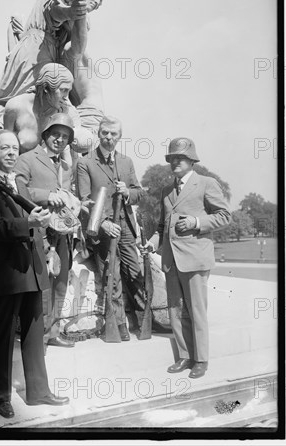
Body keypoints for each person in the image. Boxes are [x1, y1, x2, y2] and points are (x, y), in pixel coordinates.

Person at [0, 130, 69, 419]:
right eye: (4, 148)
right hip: (7, 273)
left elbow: (37, 224)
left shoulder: (20, 186)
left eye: (14, 148)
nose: (12, 153)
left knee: (35, 334)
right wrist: (28, 222)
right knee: (1, 336)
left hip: (34, 270)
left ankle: (39, 392)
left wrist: (48, 246)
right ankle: (1, 396)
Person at [0, 0, 112, 150]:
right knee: (28, 103)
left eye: (102, 0)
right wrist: (72, 10)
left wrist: (79, 12)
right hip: (35, 53)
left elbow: (78, 47)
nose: (98, 2)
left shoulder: (81, 17)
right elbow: (56, 12)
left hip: (49, 55)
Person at [146, 138, 231, 379]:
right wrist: (152, 243)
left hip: (195, 259)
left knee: (196, 311)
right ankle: (184, 356)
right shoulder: (166, 190)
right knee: (175, 309)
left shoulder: (206, 183)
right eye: (171, 158)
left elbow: (225, 216)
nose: (174, 161)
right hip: (171, 260)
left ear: (192, 161)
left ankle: (201, 360)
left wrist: (197, 222)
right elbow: (161, 225)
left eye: (179, 158)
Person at [76, 116, 146, 341]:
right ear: (98, 133)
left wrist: (128, 192)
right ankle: (118, 326)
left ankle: (143, 320)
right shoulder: (85, 162)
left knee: (135, 273)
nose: (108, 137)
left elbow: (138, 193)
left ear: (119, 136)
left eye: (113, 134)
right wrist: (104, 224)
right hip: (102, 229)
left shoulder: (126, 162)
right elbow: (85, 201)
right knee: (112, 278)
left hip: (125, 225)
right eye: (105, 132)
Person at [14, 113, 79, 349]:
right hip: (38, 231)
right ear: (45, 135)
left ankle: (54, 332)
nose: (60, 140)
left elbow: (65, 195)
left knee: (61, 282)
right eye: (55, 134)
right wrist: (46, 195)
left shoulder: (66, 167)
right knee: (42, 284)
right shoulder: (27, 159)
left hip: (61, 232)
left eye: (65, 137)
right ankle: (37, 338)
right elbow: (19, 192)